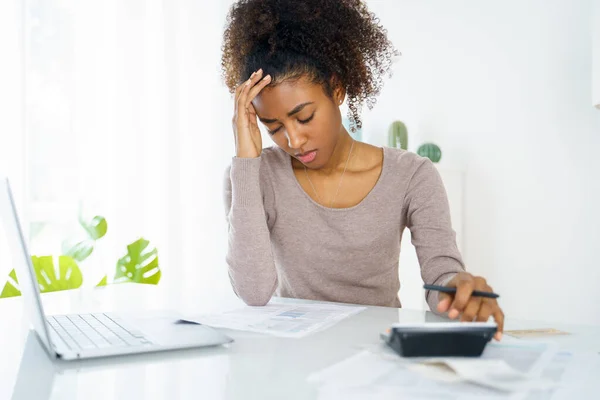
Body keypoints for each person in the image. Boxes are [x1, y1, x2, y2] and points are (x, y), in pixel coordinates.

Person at [221, 0, 504, 340]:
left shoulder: (412, 175)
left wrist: (458, 287)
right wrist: (246, 163)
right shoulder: (252, 177)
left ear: (337, 90)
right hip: (291, 358)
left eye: (304, 116)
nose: (293, 140)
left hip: (376, 353)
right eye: (273, 127)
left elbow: (441, 275)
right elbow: (253, 293)